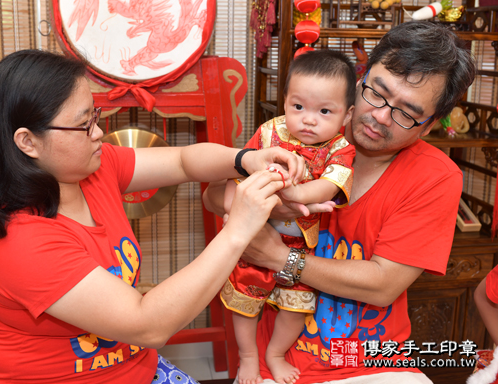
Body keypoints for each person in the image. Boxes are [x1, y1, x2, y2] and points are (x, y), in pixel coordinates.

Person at [0, 49, 307, 384]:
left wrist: (244, 159)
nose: (97, 132)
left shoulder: (93, 168)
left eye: (94, 116)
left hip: (137, 369)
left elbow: (182, 162)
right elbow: (148, 324)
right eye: (83, 125)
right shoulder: (22, 240)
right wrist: (237, 232)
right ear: (28, 142)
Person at [204, 21, 476, 383]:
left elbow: (383, 285)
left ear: (429, 126)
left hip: (372, 365)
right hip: (277, 363)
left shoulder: (436, 177)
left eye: (406, 113)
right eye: (376, 93)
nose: (379, 116)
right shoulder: (303, 128)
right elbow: (211, 197)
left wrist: (276, 257)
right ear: (360, 80)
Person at [220, 50, 356, 384]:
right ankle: (249, 357)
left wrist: (290, 194)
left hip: (298, 244)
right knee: (244, 302)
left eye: (324, 111)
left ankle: (275, 353)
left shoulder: (340, 149)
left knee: (298, 306)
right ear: (285, 102)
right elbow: (237, 175)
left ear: (347, 115)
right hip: (255, 234)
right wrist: (232, 209)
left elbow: (326, 187)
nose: (309, 119)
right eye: (299, 107)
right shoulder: (269, 134)